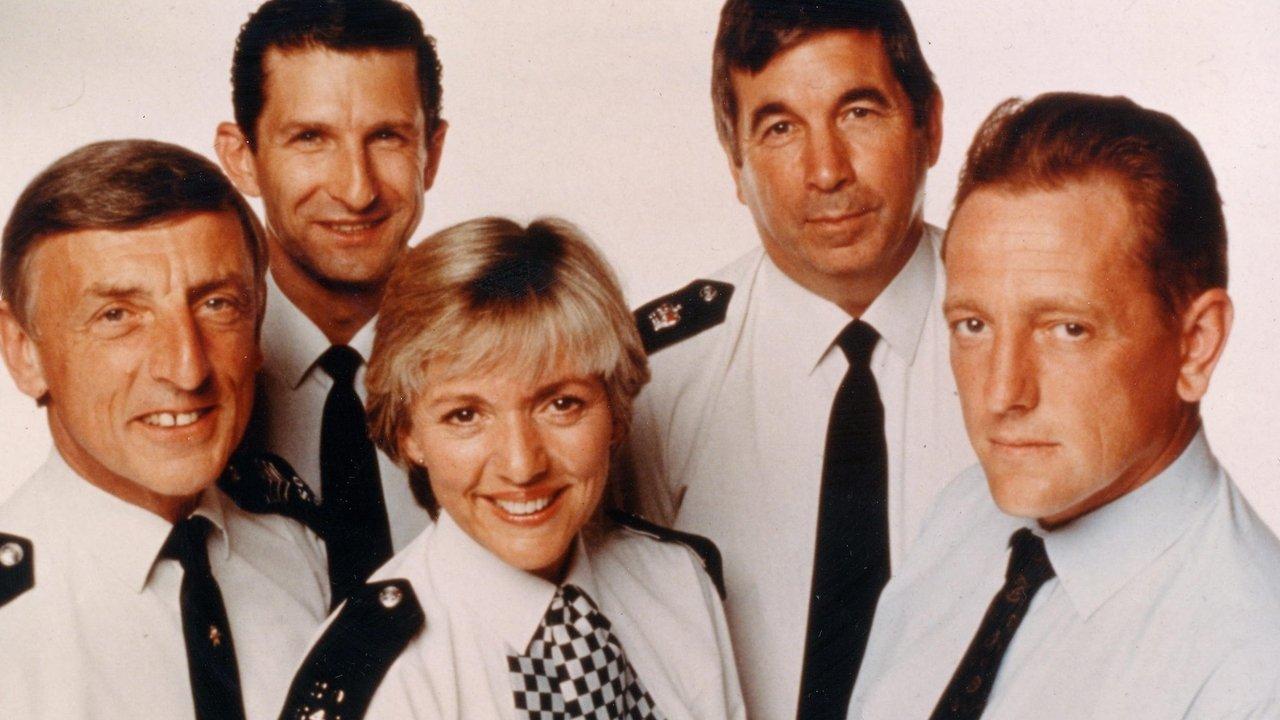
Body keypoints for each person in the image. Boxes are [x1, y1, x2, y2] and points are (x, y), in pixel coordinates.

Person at [849, 93, 1280, 719]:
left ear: (1196, 345)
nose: (1001, 394)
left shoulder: (1255, 670)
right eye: (973, 325)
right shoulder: (962, 515)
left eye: (1067, 329)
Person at [625, 1, 973, 716]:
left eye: (859, 113)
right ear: (736, 163)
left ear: (930, 125)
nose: (826, 170)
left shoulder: (1027, 343)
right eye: (780, 128)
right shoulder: (653, 381)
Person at [277, 217, 746, 719]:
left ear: (614, 407)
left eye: (561, 404)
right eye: (466, 415)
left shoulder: (678, 582)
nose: (522, 466)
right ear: (409, 432)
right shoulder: (370, 673)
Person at [0, 140, 331, 719]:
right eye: (117, 315)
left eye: (217, 304)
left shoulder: (299, 555)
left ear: (257, 325)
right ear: (24, 352)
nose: (187, 368)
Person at [214, 0, 447, 602]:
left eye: (387, 137)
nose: (356, 189)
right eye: (310, 138)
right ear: (242, 158)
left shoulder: (502, 354)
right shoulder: (192, 372)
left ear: (433, 153)